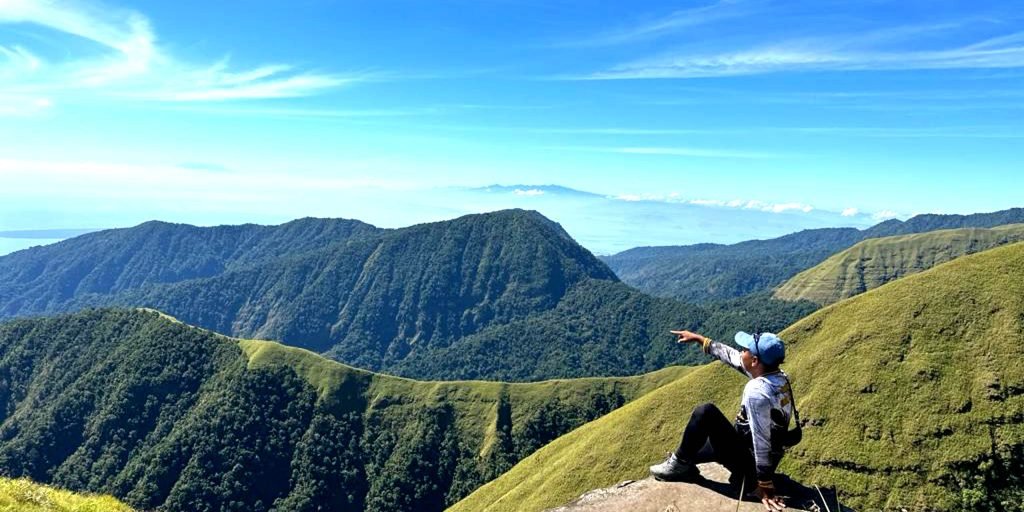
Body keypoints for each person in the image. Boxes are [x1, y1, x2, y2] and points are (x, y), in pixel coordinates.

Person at [649, 330, 797, 512]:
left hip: (750, 462)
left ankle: (679, 466)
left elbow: (762, 441)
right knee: (689, 452)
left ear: (755, 361)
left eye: (745, 350)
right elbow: (732, 357)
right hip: (747, 446)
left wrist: (761, 485)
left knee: (705, 412)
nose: (741, 352)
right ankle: (682, 463)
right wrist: (700, 339)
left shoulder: (757, 391)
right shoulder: (776, 376)